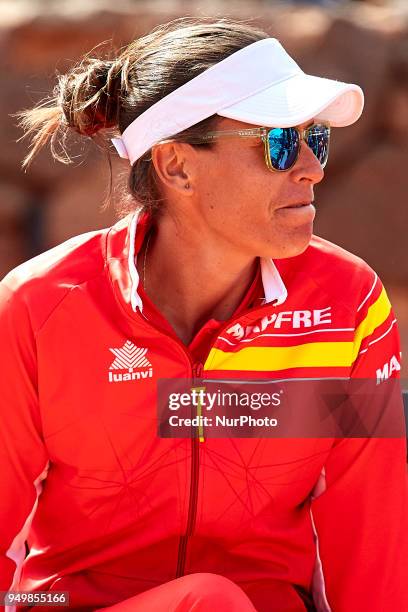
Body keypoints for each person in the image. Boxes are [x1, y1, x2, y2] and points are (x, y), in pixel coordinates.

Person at [0, 17, 407, 612]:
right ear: (176, 166)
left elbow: (372, 538)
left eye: (314, 139)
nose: (313, 169)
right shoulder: (39, 305)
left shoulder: (348, 306)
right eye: (278, 144)